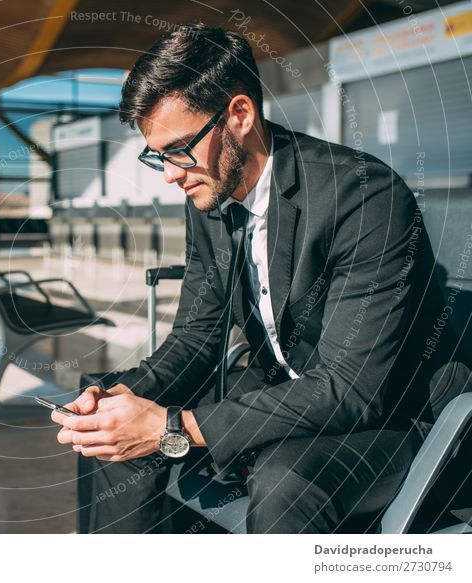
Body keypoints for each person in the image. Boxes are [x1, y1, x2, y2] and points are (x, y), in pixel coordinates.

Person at [51, 25, 471, 533]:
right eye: (156, 154)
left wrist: (171, 426)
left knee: (285, 479)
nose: (168, 173)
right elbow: (195, 337)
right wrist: (116, 399)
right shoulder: (210, 194)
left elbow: (349, 391)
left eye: (179, 149)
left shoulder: (364, 199)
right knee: (112, 432)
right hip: (286, 387)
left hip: (396, 419)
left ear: (241, 115)